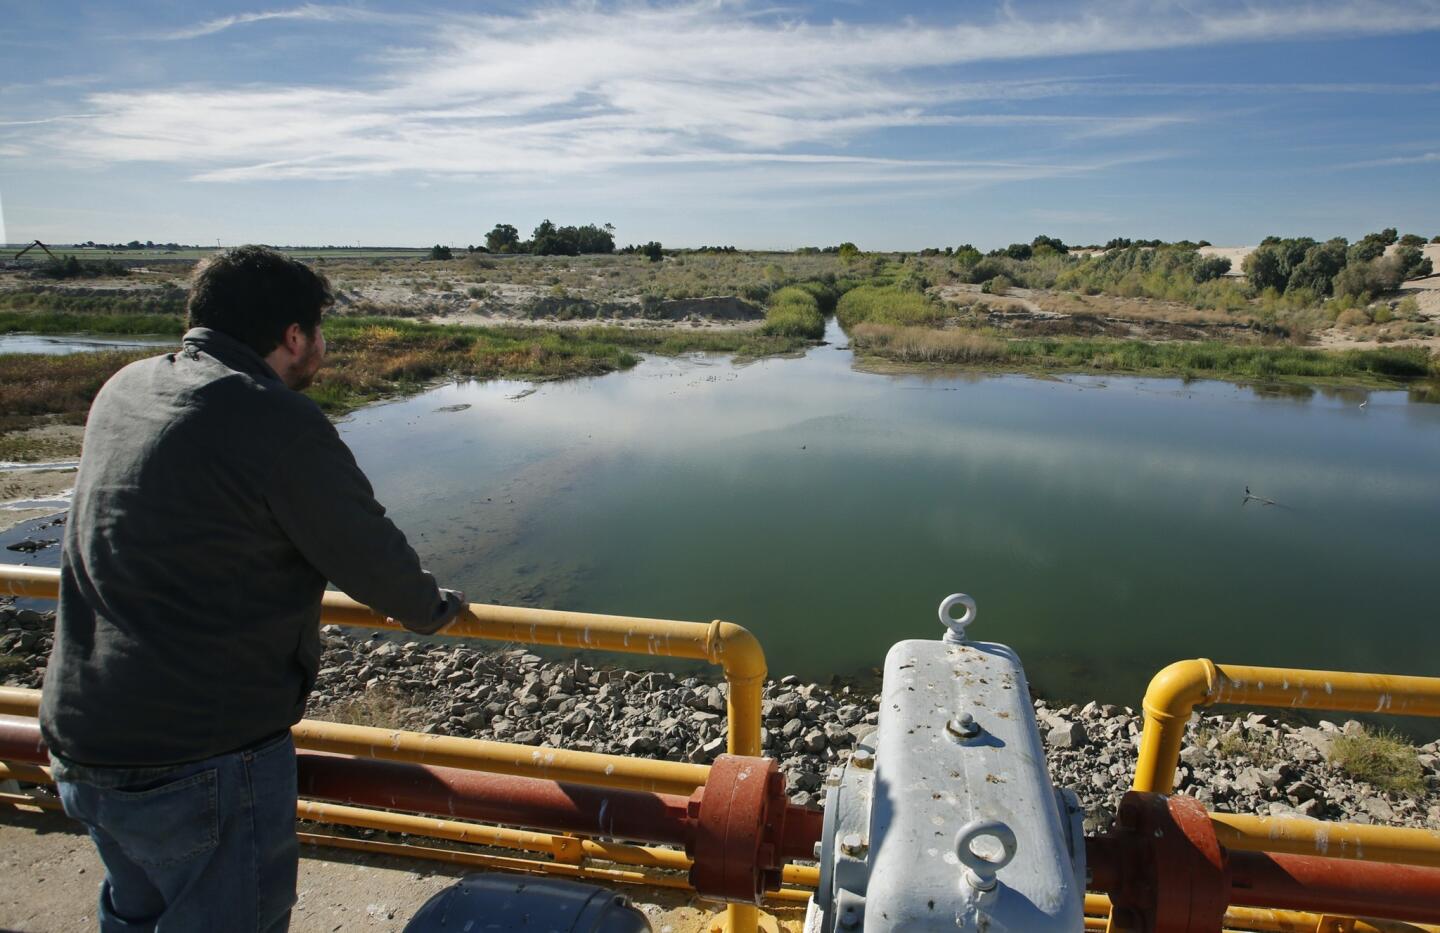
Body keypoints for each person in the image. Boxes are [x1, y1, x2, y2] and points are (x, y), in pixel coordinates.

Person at [39, 245, 467, 932]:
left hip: (80, 737)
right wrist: (437, 609)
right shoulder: (274, 419)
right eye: (319, 331)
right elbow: (370, 556)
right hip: (198, 758)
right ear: (293, 336)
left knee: (137, 918)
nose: (323, 346)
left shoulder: (124, 387)